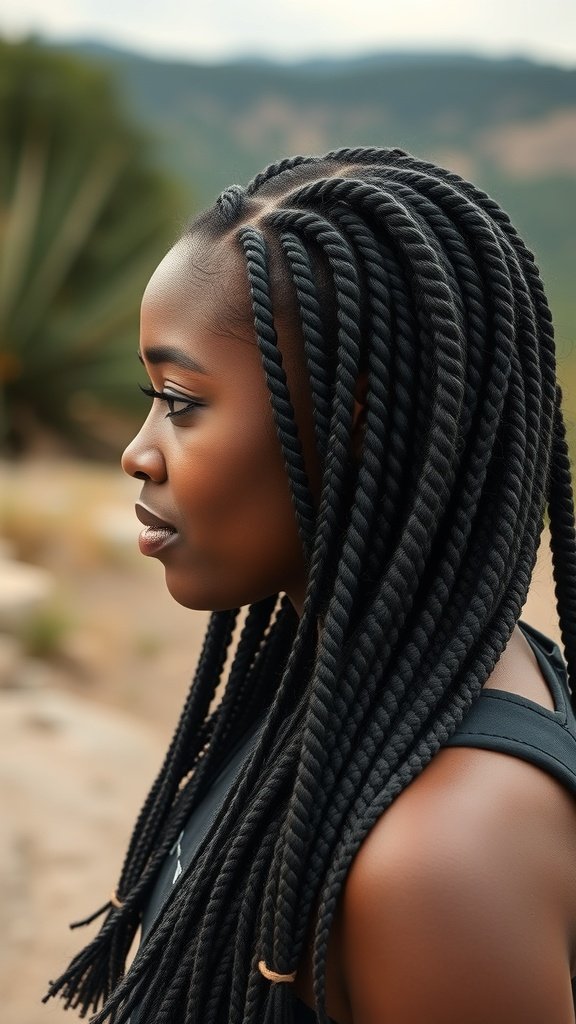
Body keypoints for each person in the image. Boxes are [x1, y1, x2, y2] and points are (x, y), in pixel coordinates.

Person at [45, 146, 576, 1023]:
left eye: (180, 401)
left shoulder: (440, 857)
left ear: (352, 418)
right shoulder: (350, 669)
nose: (138, 452)